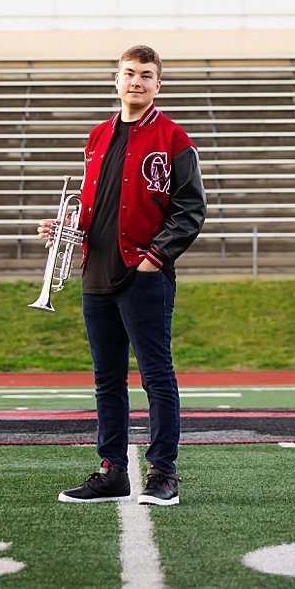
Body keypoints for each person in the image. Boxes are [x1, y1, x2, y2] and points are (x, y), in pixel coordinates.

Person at [46, 44, 206, 507]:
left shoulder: (175, 138)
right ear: (116, 79)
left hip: (144, 274)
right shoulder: (96, 136)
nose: (136, 81)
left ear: (159, 85)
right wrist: (64, 229)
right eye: (129, 73)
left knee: (157, 376)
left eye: (146, 75)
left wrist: (156, 256)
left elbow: (191, 209)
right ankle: (113, 470)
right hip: (96, 271)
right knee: (107, 378)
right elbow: (96, 207)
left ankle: (163, 474)